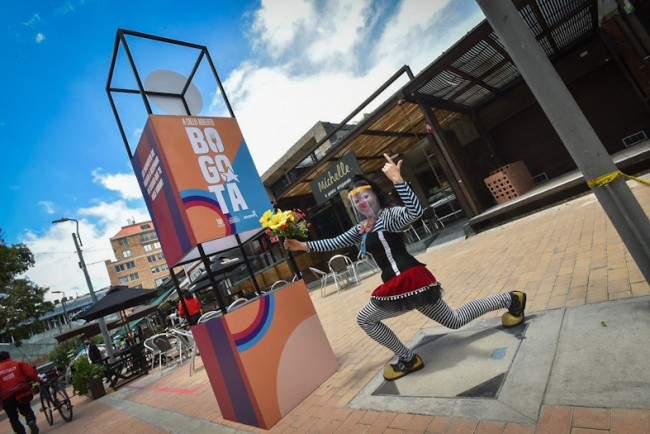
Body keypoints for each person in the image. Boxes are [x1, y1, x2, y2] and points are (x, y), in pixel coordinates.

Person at [284, 154, 526, 381]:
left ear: (376, 195)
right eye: (356, 200)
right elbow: (334, 241)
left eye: (366, 196)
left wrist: (399, 181)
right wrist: (302, 245)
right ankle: (511, 299)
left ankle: (408, 359)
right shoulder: (362, 229)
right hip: (404, 283)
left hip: (408, 279)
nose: (362, 202)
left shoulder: (390, 215)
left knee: (365, 319)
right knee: (454, 320)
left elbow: (415, 212)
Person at [0, 351, 40, 434]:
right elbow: (31, 374)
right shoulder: (18, 363)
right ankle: (30, 421)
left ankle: (21, 432)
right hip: (20, 392)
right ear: (9, 356)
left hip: (6, 397)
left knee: (13, 418)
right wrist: (38, 380)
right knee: (26, 410)